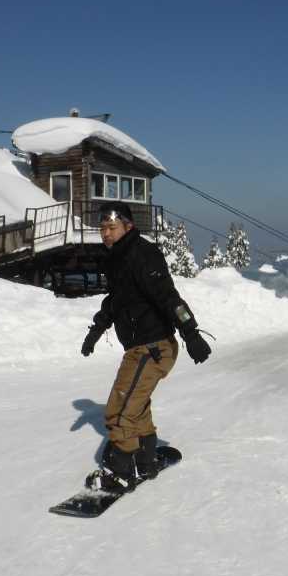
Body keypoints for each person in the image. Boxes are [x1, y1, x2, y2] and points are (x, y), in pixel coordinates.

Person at [81, 202, 211, 492]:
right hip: (141, 347)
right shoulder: (118, 258)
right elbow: (116, 301)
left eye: (111, 227)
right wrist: (96, 331)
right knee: (135, 405)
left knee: (120, 409)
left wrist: (191, 333)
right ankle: (145, 457)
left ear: (128, 226)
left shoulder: (142, 254)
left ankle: (121, 470)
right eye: (102, 228)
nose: (105, 233)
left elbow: (168, 297)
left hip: (153, 346)